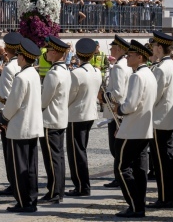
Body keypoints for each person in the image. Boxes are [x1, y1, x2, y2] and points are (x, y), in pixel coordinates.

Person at [112, 40, 156, 218]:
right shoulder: (149, 74)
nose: (127, 57)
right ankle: (139, 204)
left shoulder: (137, 76)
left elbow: (131, 106)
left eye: (130, 55)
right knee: (138, 170)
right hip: (142, 129)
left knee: (122, 168)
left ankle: (135, 205)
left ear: (140, 57)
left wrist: (119, 108)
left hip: (131, 130)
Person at [0, 38, 43, 213]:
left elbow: (13, 103)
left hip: (20, 127)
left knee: (19, 167)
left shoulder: (21, 77)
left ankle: (23, 201)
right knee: (31, 166)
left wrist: (3, 118)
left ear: (23, 57)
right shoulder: (33, 73)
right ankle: (31, 199)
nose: (16, 58)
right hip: (33, 126)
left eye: (18, 55)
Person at [148, 31, 173, 208]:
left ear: (160, 47)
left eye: (154, 46)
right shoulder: (172, 65)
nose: (153, 49)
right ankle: (168, 197)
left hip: (159, 120)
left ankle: (165, 198)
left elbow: (154, 95)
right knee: (167, 159)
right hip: (168, 119)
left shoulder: (161, 69)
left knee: (162, 162)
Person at [66, 38, 101, 197]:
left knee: (76, 153)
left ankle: (81, 185)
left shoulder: (76, 73)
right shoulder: (96, 71)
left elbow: (69, 97)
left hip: (76, 115)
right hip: (90, 114)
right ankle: (82, 184)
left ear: (78, 54)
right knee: (81, 150)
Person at [39, 36, 72, 204]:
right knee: (58, 157)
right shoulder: (65, 70)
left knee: (52, 158)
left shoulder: (53, 73)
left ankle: (53, 192)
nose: (47, 53)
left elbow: (44, 100)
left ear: (55, 52)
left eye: (49, 50)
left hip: (49, 119)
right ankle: (59, 190)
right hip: (60, 117)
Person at [101, 35, 132, 189]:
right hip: (121, 110)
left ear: (120, 49)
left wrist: (105, 95)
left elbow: (118, 92)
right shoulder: (125, 64)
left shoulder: (119, 67)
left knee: (116, 148)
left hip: (117, 111)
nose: (111, 50)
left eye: (113, 48)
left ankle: (119, 177)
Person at [0, 32, 22, 197]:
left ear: (7, 50)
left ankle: (14, 183)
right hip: (21, 115)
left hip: (9, 116)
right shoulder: (24, 65)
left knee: (10, 153)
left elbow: (4, 97)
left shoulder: (9, 67)